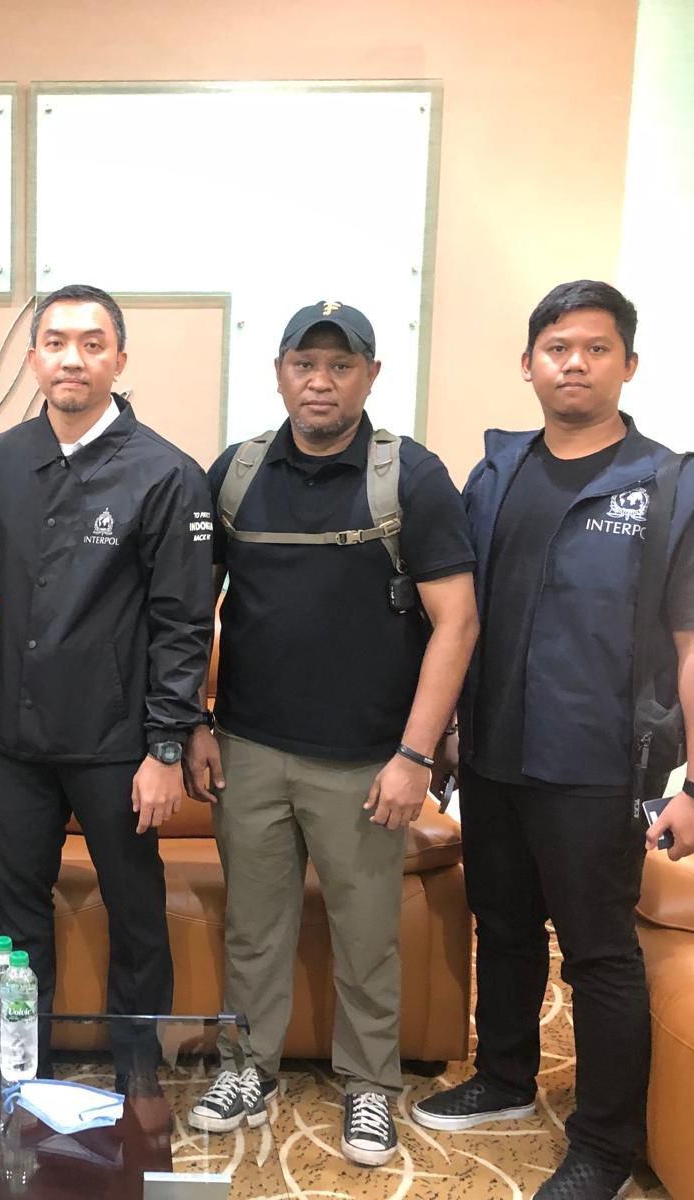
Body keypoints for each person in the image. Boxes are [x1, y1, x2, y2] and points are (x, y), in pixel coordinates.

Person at [412, 280, 694, 1200]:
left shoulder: (675, 488)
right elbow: (461, 619)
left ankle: (603, 1143)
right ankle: (506, 1075)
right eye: (557, 349)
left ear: (628, 364)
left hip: (599, 765)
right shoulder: (495, 474)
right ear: (528, 365)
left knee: (598, 956)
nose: (575, 364)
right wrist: (446, 732)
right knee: (503, 924)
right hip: (494, 754)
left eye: (596, 349)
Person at [181, 301, 477, 1166]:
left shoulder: (410, 476)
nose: (321, 381)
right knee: (254, 926)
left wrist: (414, 755)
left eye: (341, 365)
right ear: (279, 372)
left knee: (366, 932)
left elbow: (457, 623)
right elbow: (190, 611)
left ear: (371, 376)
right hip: (248, 749)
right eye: (304, 364)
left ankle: (370, 1083)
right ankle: (248, 1067)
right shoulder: (236, 474)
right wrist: (195, 721)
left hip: (366, 761)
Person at [0, 283, 213, 1084]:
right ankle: (17, 1074)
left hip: (119, 745)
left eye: (92, 343)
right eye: (55, 342)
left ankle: (139, 1078)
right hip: (12, 738)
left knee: (135, 911)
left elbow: (184, 622)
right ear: (34, 357)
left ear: (119, 359)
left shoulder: (166, 473)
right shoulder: (1, 461)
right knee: (12, 922)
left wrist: (166, 747)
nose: (72, 358)